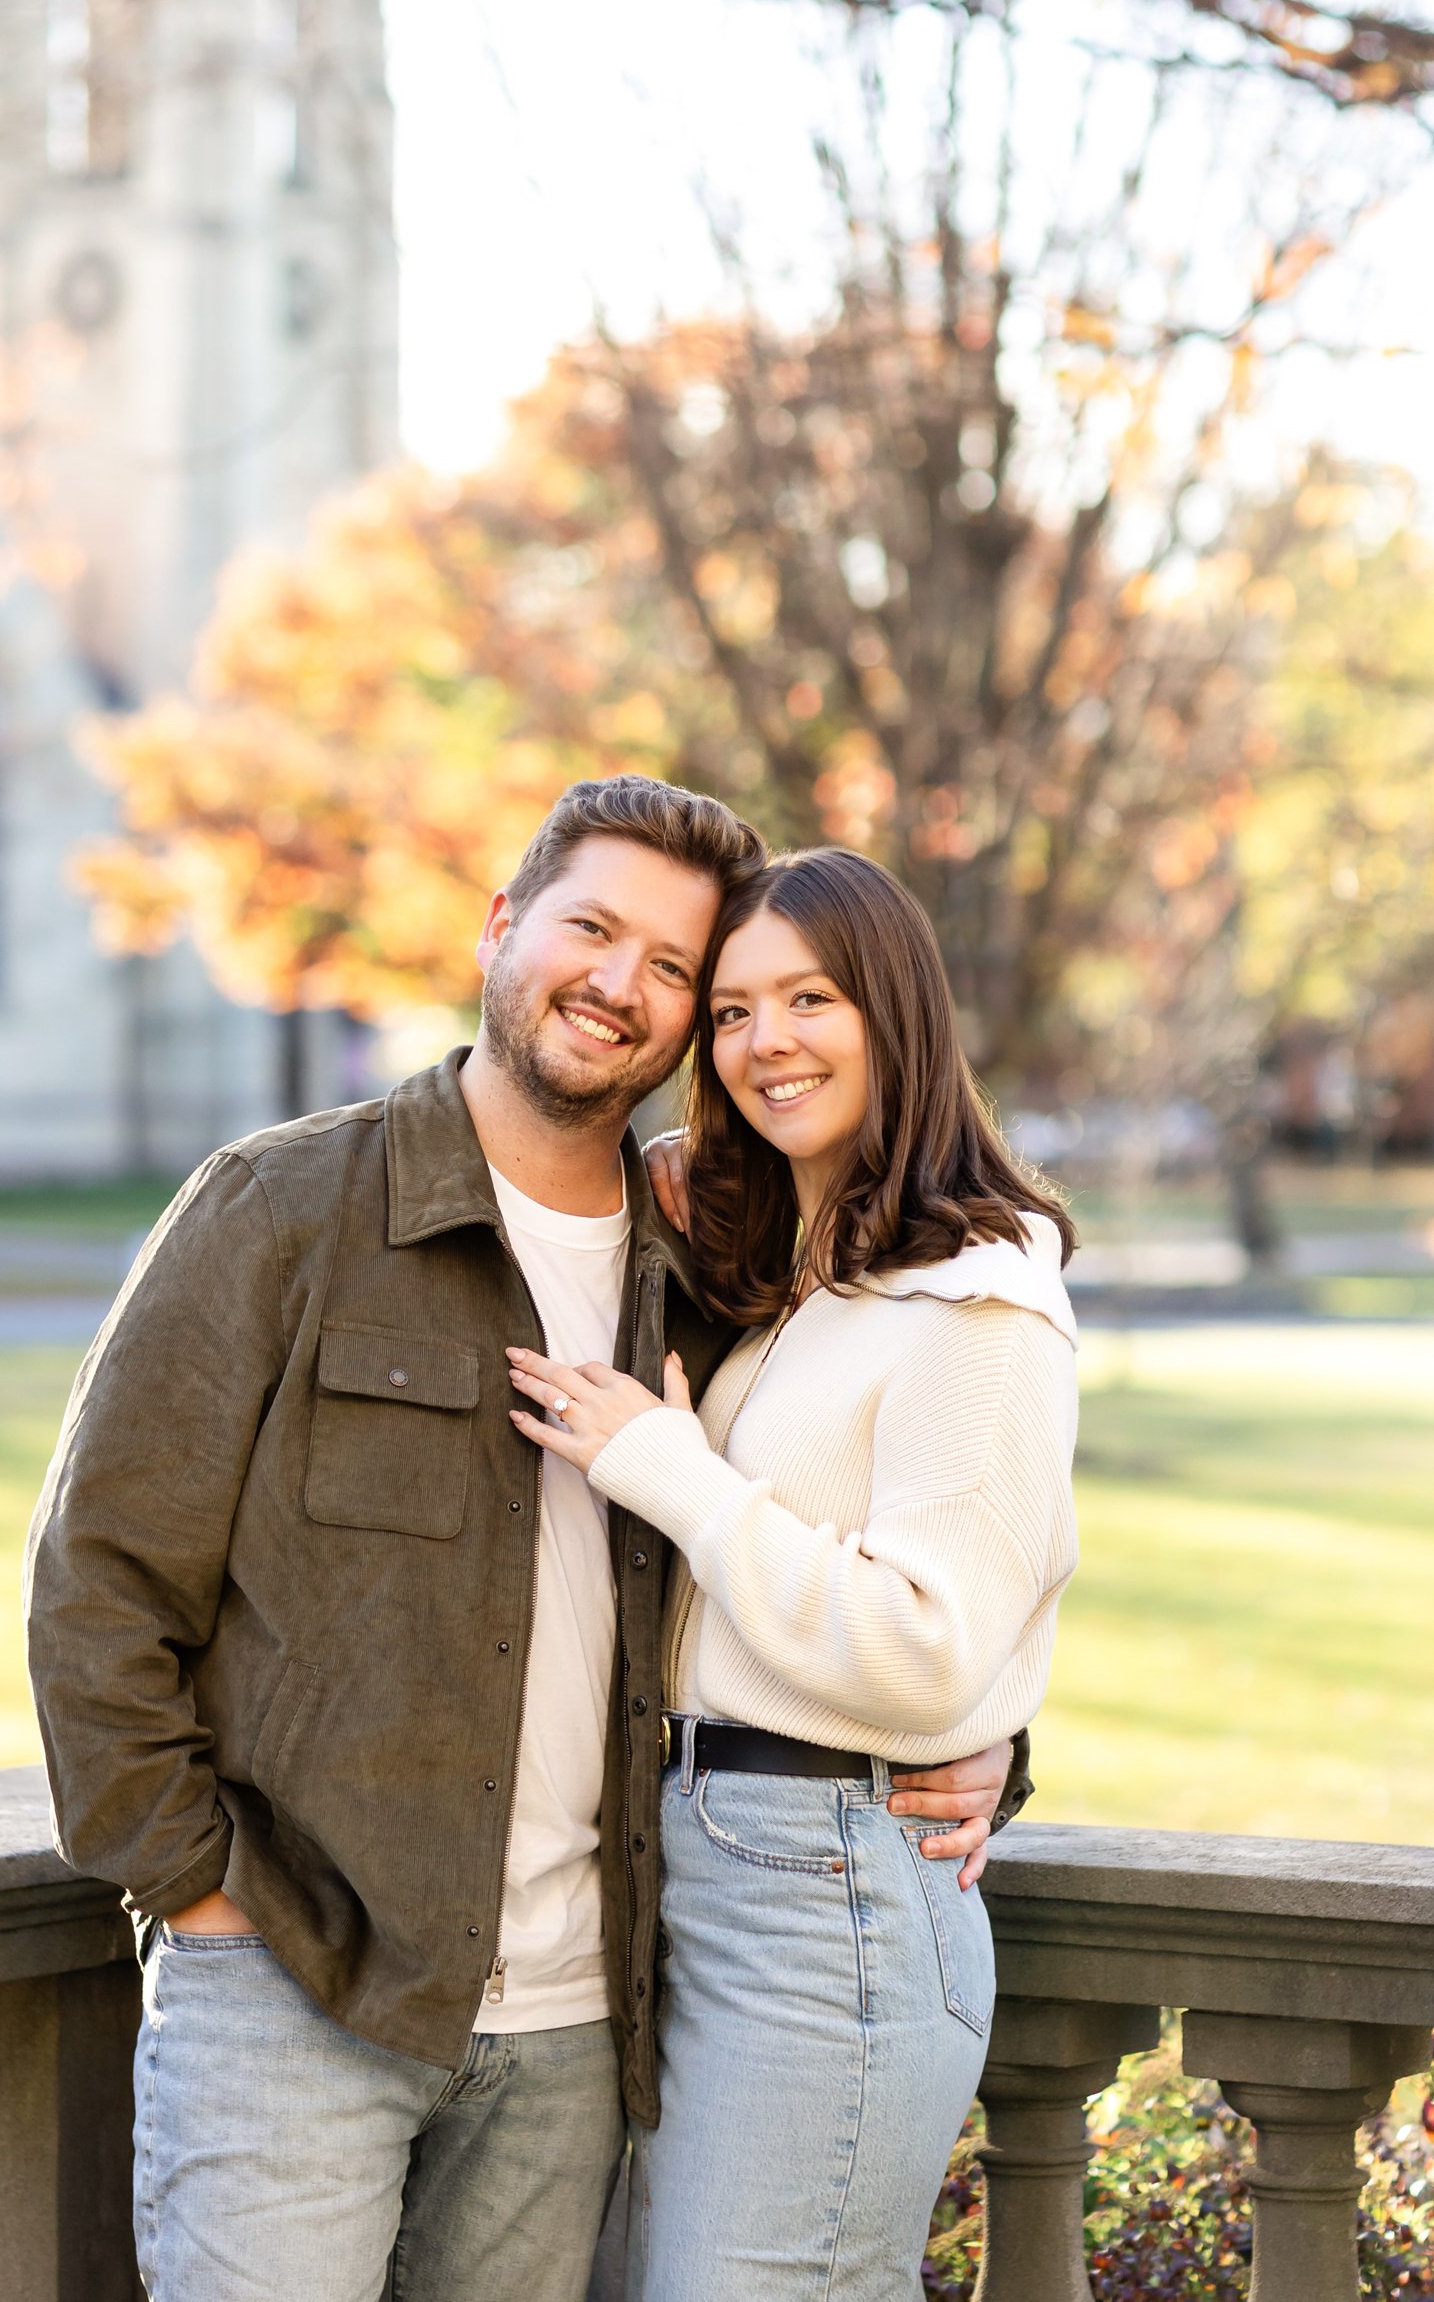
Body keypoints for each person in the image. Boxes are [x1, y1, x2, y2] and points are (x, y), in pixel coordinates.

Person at [25, 779, 1025, 2302]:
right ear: (502, 927)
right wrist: (201, 1893)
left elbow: (879, 1538)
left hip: (576, 2033)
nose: (620, 984)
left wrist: (985, 1742)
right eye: (591, 929)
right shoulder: (282, 1211)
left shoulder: (707, 1274)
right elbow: (97, 1588)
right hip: (297, 1983)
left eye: (672, 968)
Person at [505, 845, 1080, 2302]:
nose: (766, 1044)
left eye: (809, 999)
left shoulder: (980, 1298)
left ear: (893, 1012)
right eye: (736, 1010)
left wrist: (666, 1463)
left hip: (825, 1898)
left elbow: (925, 1647)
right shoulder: (804, 1284)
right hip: (706, 1867)